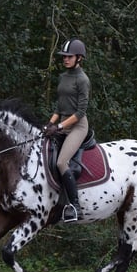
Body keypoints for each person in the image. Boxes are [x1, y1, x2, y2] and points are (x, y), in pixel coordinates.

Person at [43, 38, 91, 222]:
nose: (65, 59)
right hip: (61, 123)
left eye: (69, 56)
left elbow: (80, 112)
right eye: (64, 56)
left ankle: (75, 206)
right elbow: (59, 107)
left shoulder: (83, 80)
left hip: (77, 127)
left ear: (79, 58)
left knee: (62, 162)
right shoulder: (63, 77)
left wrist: (60, 126)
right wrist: (50, 124)